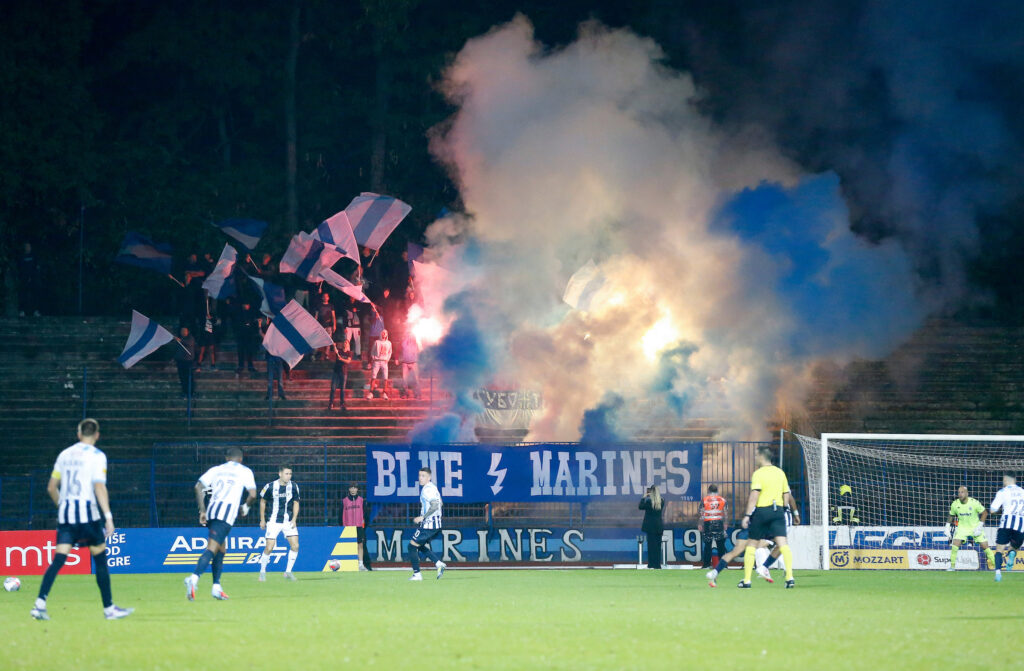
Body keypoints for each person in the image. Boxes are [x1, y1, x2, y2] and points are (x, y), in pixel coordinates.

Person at [30, 419, 133, 621]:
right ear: (97, 435)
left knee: (59, 559)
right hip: (88, 514)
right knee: (100, 559)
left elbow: (51, 487)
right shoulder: (97, 456)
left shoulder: (64, 454)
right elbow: (99, 487)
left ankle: (39, 605)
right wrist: (109, 517)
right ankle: (109, 608)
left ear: (79, 434)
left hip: (66, 515)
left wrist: (63, 506)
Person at [185, 447, 256, 601]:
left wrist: (202, 510)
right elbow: (252, 494)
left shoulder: (216, 469)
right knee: (212, 548)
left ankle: (216, 587)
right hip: (226, 515)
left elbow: (198, 487)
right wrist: (245, 507)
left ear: (226, 458)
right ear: (241, 459)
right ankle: (194, 578)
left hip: (212, 511)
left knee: (221, 549)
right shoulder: (245, 471)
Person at [739, 447, 799, 589]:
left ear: (761, 456)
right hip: (778, 511)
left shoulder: (758, 474)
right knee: (783, 544)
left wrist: (747, 515)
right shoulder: (780, 473)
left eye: (755, 455)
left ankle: (747, 581)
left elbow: (755, 494)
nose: (754, 458)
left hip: (762, 512)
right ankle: (790, 578)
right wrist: (784, 508)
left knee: (752, 545)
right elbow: (786, 494)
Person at [258, 466, 300, 581]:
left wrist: (294, 519)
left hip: (288, 520)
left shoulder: (294, 486)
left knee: (295, 546)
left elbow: (296, 502)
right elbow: (262, 501)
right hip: (273, 521)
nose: (289, 476)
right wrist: (262, 519)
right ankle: (262, 572)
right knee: (269, 547)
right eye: (286, 473)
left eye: (290, 474)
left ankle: (288, 572)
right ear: (280, 474)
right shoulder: (270, 486)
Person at [408, 466, 446, 581]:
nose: (420, 478)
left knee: (411, 546)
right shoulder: (433, 487)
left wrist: (422, 517)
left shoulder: (427, 490)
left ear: (429, 477)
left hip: (429, 524)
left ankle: (417, 574)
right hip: (434, 524)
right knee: (418, 545)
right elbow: (441, 504)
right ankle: (438, 563)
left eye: (423, 476)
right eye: (419, 475)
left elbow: (435, 505)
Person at [947, 486, 996, 571]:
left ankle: (996, 566)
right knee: (955, 545)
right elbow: (951, 515)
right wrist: (947, 527)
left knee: (985, 547)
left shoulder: (974, 502)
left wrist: (979, 527)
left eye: (962, 492)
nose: (960, 494)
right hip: (962, 528)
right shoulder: (955, 503)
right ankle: (952, 567)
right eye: (959, 492)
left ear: (967, 493)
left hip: (975, 528)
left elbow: (985, 513)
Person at [705, 530, 774, 588]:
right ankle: (763, 570)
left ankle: (716, 571)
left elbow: (746, 519)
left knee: (736, 552)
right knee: (760, 547)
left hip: (749, 529)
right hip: (760, 530)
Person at [990, 474, 1024, 581]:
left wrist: (1000, 511)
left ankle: (998, 574)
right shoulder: (1023, 491)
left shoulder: (1002, 492)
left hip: (1006, 523)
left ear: (1005, 479)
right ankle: (1012, 553)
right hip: (1020, 524)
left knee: (999, 550)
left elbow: (992, 510)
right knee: (1014, 546)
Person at [699, 484, 727, 569]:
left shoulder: (704, 500)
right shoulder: (722, 500)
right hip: (719, 523)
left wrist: (700, 524)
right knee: (721, 545)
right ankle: (723, 565)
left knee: (708, 545)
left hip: (708, 523)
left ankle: (706, 565)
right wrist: (725, 523)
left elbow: (701, 513)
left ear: (708, 491)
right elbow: (725, 513)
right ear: (717, 491)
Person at [342, 484, 369, 570]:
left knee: (360, 545)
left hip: (359, 526)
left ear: (357, 489)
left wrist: (363, 525)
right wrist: (343, 525)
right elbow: (341, 515)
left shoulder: (361, 500)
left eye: (355, 488)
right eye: (351, 488)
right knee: (348, 545)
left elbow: (365, 514)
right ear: (349, 489)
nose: (353, 490)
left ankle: (360, 564)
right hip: (348, 527)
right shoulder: (344, 501)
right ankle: (348, 564)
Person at [639, 485, 664, 569]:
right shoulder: (662, 501)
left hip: (650, 527)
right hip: (658, 527)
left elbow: (640, 506)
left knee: (651, 547)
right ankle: (657, 565)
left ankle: (651, 564)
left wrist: (644, 497)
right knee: (657, 546)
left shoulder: (649, 502)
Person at [17, 242, 41, 317]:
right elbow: (20, 267)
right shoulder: (22, 256)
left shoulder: (34, 256)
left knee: (35, 294)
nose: (27, 248)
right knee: (23, 294)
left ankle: (35, 311)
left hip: (33, 278)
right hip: (24, 278)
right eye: (26, 247)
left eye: (29, 247)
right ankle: (22, 311)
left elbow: (37, 267)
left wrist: (34, 276)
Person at [367, 328, 392, 400]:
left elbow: (390, 352)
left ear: (387, 334)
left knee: (385, 378)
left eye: (385, 333)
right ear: (381, 334)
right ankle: (371, 393)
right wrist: (374, 358)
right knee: (373, 376)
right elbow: (372, 351)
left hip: (384, 361)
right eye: (383, 333)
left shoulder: (389, 343)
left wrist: (388, 359)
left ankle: (385, 393)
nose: (384, 334)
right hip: (377, 361)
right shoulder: (377, 342)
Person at [174, 326, 197, 400]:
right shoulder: (181, 339)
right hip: (180, 361)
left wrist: (180, 340)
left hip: (188, 362)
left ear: (187, 332)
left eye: (184, 331)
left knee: (189, 378)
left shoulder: (190, 338)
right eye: (181, 331)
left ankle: (191, 393)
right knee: (182, 378)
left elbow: (189, 344)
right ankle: (184, 392)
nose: (183, 332)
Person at [328, 340, 352, 411]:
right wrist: (334, 345)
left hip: (343, 373)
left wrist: (341, 359)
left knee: (342, 389)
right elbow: (335, 350)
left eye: (346, 342)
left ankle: (342, 404)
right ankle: (331, 403)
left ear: (348, 345)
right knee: (333, 388)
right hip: (336, 372)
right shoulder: (339, 351)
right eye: (344, 342)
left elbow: (348, 361)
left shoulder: (349, 353)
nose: (345, 343)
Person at [314, 292, 336, 360]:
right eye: (324, 296)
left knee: (328, 340)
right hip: (320, 326)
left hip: (329, 325)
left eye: (326, 296)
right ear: (322, 297)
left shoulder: (331, 306)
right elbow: (316, 316)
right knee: (318, 340)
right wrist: (315, 325)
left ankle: (326, 354)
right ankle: (315, 354)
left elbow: (333, 316)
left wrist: (334, 325)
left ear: (328, 298)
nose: (325, 298)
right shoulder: (319, 305)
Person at [398, 331, 420, 399]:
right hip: (405, 363)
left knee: (416, 379)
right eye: (409, 335)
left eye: (411, 335)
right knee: (405, 379)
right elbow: (398, 350)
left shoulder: (416, 343)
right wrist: (396, 358)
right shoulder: (403, 342)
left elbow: (419, 352)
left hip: (414, 363)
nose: (410, 337)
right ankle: (405, 393)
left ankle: (417, 394)